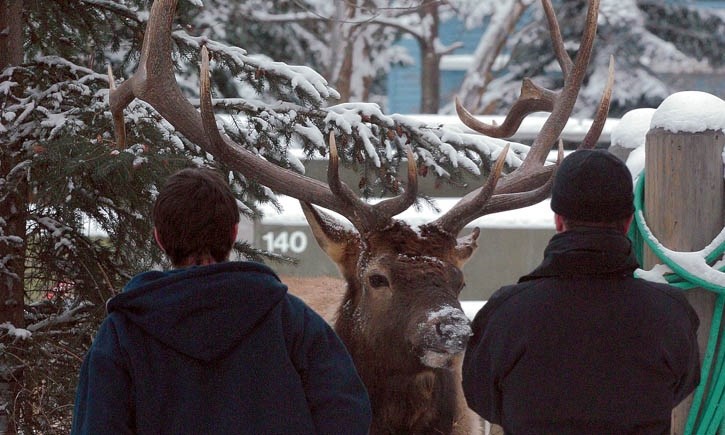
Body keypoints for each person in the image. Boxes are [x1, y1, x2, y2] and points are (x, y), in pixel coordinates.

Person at [71, 167, 371, 434]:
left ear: (159, 238)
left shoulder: (122, 333)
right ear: (233, 233)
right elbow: (347, 412)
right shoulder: (292, 321)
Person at [462, 149, 700, 434]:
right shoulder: (670, 311)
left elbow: (482, 398)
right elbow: (682, 385)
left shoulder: (507, 312)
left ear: (559, 221)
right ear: (627, 224)